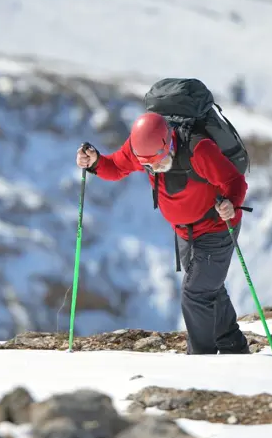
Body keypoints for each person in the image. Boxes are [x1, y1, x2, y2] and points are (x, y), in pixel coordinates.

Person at [75, 111, 250, 354]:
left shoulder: (199, 150)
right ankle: (233, 346)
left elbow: (235, 181)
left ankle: (201, 357)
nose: (154, 168)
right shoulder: (141, 149)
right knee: (209, 288)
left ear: (169, 142)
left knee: (196, 293)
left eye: (157, 161)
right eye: (147, 165)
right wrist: (95, 162)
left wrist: (231, 203)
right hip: (184, 232)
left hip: (217, 227)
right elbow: (115, 166)